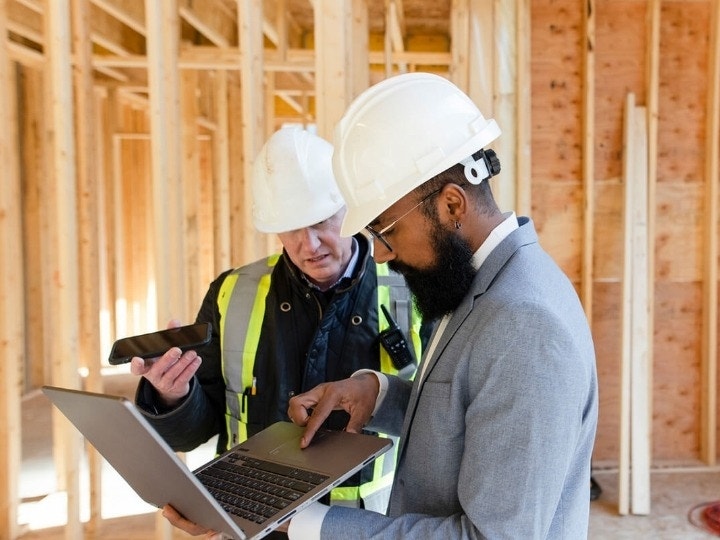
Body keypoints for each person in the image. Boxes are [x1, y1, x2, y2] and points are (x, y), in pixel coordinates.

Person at [282, 72, 599, 538]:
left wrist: (309, 523)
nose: (383, 255)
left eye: (386, 232)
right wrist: (381, 394)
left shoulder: (523, 323)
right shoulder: (480, 283)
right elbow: (475, 408)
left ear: (452, 205)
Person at [130, 126, 428, 524]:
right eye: (291, 228)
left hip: (364, 526)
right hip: (254, 523)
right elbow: (194, 431)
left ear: (349, 208)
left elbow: (441, 419)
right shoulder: (231, 292)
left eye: (322, 222)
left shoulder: (416, 292)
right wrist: (173, 399)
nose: (311, 245)